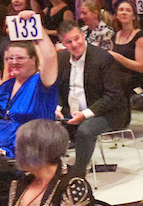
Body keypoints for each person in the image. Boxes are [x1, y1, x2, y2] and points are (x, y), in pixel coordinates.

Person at [55, 20, 131, 177]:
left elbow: (113, 95)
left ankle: (78, 174)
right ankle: (52, 172)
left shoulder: (103, 58)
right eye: (69, 42)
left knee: (86, 130)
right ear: (63, 44)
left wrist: (86, 114)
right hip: (72, 111)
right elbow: (58, 88)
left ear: (83, 36)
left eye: (77, 38)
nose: (75, 44)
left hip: (108, 112)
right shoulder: (61, 59)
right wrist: (57, 107)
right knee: (43, 125)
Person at [0, 25, 60, 158]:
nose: (14, 62)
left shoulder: (41, 83)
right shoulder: (6, 86)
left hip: (29, 150)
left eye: (20, 58)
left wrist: (37, 28)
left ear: (33, 59)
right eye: (10, 58)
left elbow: (50, 57)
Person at [107, 0, 143, 83]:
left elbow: (141, 67)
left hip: (133, 81)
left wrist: (118, 57)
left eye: (128, 10)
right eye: (121, 10)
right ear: (117, 16)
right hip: (117, 79)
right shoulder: (114, 36)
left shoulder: (140, 37)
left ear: (133, 16)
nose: (124, 13)